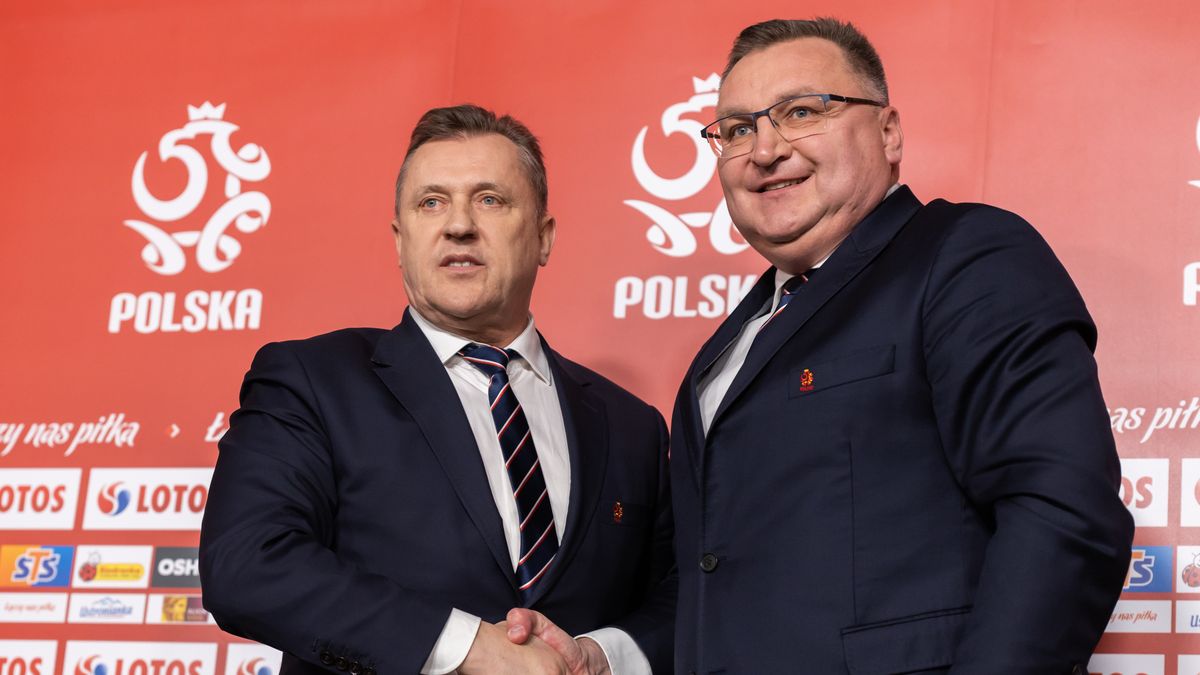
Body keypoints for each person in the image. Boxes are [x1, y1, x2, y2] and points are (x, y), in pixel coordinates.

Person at [511, 17, 1133, 674]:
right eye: (739, 129)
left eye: (803, 111)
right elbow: (718, 591)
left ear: (889, 131)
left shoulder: (963, 257)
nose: (766, 148)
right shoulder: (727, 349)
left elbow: (1063, 512)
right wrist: (603, 657)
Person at [200, 104, 674, 675]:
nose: (458, 225)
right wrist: (468, 647)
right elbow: (248, 565)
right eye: (431, 203)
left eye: (490, 199)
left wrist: (601, 656)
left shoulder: (630, 425)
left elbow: (677, 599)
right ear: (401, 241)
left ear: (544, 238)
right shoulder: (311, 380)